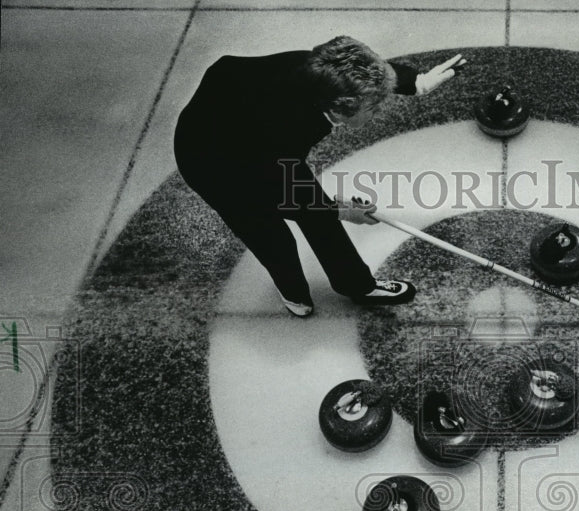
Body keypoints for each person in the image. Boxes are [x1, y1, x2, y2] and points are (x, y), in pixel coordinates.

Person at [174, 36, 465, 316]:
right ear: (340, 107)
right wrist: (339, 210)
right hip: (215, 165)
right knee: (272, 237)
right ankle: (293, 292)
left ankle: (356, 285)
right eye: (373, 108)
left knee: (318, 213)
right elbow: (273, 183)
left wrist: (416, 81)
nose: (378, 114)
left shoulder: (317, 69)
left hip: (255, 140)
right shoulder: (288, 127)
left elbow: (360, 69)